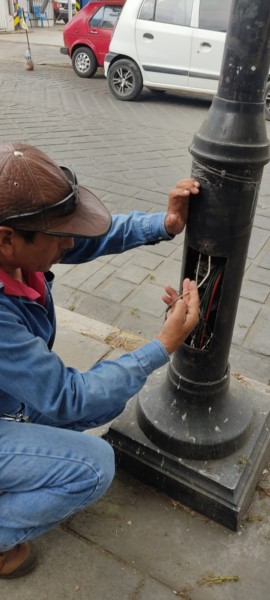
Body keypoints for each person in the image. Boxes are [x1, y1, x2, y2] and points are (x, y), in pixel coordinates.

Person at [0, 142, 200, 578]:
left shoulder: (16, 245)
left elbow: (94, 237)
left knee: (108, 398)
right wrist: (161, 346)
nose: (70, 243)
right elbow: (66, 398)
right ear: (8, 239)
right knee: (92, 466)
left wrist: (163, 225)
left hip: (8, 404)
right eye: (60, 237)